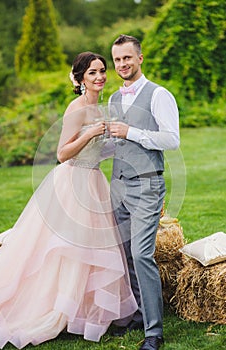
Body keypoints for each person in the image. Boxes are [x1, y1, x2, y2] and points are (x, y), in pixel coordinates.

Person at [0, 51, 137, 349]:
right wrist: (89, 135)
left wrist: (118, 141)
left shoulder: (101, 107)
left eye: (101, 71)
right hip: (73, 183)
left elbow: (98, 151)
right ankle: (56, 309)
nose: (99, 77)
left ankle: (83, 312)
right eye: (92, 73)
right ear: (81, 79)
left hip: (95, 181)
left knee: (92, 249)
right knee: (67, 250)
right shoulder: (78, 107)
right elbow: (62, 153)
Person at [109, 35, 180, 350]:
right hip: (119, 184)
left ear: (139, 58)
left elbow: (171, 140)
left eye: (127, 58)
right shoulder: (112, 98)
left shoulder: (159, 94)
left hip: (147, 185)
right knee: (124, 255)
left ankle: (154, 333)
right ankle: (139, 314)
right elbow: (116, 143)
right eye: (117, 60)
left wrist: (131, 132)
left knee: (141, 254)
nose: (122, 64)